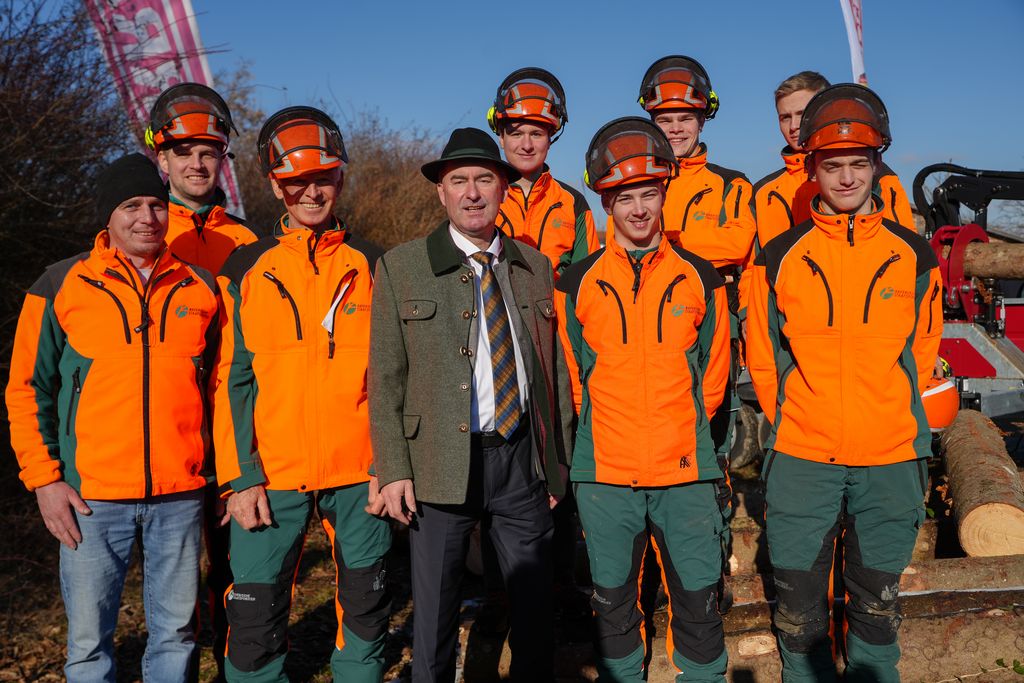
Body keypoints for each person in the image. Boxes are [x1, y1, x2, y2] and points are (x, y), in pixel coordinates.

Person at [745, 84, 943, 681]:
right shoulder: (778, 257)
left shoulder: (915, 255)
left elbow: (921, 352)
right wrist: (796, 424)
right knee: (800, 616)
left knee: (878, 610)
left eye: (859, 164)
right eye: (834, 166)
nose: (847, 178)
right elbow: (763, 357)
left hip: (891, 455)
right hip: (804, 454)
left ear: (878, 165)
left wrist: (897, 424)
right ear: (814, 168)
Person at [369, 127, 574, 683]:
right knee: (433, 615)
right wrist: (392, 469)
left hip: (520, 461)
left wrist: (557, 462)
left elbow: (552, 371)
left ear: (504, 186)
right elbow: (385, 379)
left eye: (485, 179)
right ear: (441, 192)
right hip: (438, 462)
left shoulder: (534, 266)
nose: (473, 192)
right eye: (458, 181)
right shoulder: (400, 267)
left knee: (534, 610)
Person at [6, 153, 220, 682]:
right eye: (131, 205)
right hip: (91, 497)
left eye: (155, 204)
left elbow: (222, 390)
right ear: (108, 216)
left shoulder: (202, 288)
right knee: (87, 644)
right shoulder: (59, 286)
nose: (146, 216)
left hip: (179, 494)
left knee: (175, 636)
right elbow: (27, 390)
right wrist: (44, 481)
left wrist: (224, 477)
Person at [213, 106, 389, 683]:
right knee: (254, 622)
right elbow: (232, 380)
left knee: (367, 608)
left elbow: (395, 376)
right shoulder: (245, 268)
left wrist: (388, 463)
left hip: (359, 470)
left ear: (341, 178)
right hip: (271, 475)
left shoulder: (375, 265)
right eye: (296, 183)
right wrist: (240, 477)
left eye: (323, 179)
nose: (311, 193)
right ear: (274, 185)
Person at [557, 117, 731, 681]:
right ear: (606, 201)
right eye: (624, 197)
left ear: (664, 194)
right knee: (611, 604)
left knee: (701, 603)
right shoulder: (575, 282)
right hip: (605, 472)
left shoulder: (700, 278)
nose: (638, 209)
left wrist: (677, 428)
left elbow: (712, 377)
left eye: (649, 194)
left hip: (685, 471)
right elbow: (574, 374)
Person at [146, 81, 258, 681]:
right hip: (163, 435)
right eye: (183, 151)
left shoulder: (244, 240)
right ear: (160, 158)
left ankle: (236, 667)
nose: (196, 163)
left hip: (231, 430)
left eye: (208, 152)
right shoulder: (138, 231)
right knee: (172, 583)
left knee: (238, 573)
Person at [751, 71, 914, 250]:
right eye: (785, 117)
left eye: (802, 114)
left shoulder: (878, 178)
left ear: (829, 112)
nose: (794, 126)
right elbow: (754, 267)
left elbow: (905, 250)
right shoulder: (763, 191)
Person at [488, 67, 599, 276]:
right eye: (516, 134)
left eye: (537, 134)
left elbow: (588, 281)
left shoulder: (573, 203)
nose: (526, 144)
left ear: (550, 139)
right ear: (501, 138)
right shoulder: (481, 198)